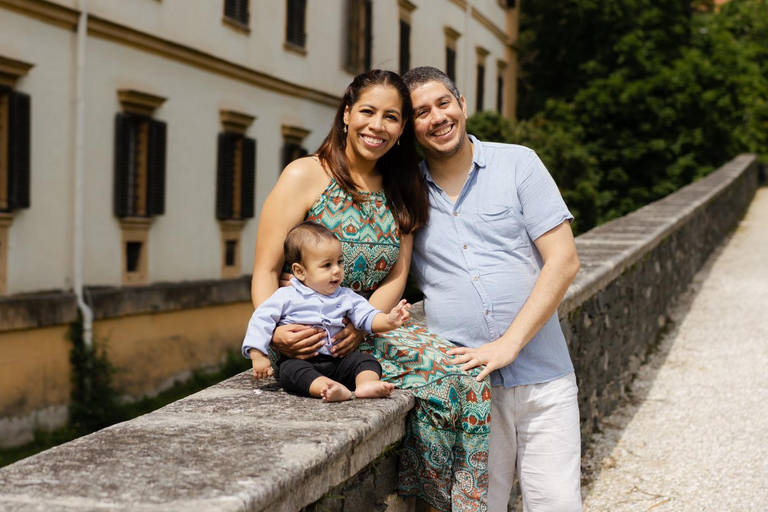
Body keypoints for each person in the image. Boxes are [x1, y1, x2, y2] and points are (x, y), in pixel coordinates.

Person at [250, 69, 491, 512]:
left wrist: (362, 327)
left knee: (468, 381)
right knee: (452, 383)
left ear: (401, 130)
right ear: (346, 114)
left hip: (368, 328)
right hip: (306, 338)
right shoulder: (305, 175)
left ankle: (452, 504)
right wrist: (273, 336)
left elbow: (397, 276)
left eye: (392, 117)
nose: (377, 126)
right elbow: (265, 269)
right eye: (367, 112)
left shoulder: (401, 186)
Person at [402, 66, 582, 512]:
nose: (437, 117)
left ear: (462, 105)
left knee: (558, 505)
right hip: (469, 390)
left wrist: (508, 344)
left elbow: (564, 260)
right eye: (421, 112)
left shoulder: (518, 162)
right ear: (410, 128)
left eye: (443, 103)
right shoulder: (406, 193)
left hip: (545, 379)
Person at [242, 221, 407, 402]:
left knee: (366, 361)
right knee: (290, 372)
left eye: (340, 262)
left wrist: (389, 320)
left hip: (339, 359)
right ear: (300, 271)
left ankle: (366, 384)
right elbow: (261, 319)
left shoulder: (345, 296)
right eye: (327, 265)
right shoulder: (286, 296)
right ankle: (328, 387)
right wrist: (258, 355)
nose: (337, 270)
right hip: (302, 360)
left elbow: (367, 316)